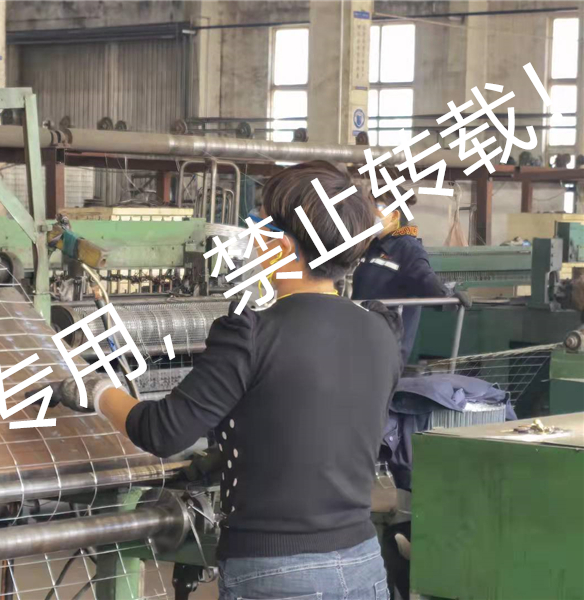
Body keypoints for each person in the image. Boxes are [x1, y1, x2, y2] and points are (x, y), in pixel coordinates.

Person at [52, 161, 402, 600]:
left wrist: (96, 389)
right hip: (362, 565)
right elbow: (317, 421)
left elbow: (163, 431)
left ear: (281, 246)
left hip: (277, 576)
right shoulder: (380, 330)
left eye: (260, 226)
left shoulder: (253, 334)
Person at [352, 193, 471, 365]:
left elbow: (427, 281)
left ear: (395, 216)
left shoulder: (408, 248)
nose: (369, 213)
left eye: (375, 208)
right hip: (362, 337)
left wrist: (450, 297)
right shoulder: (373, 247)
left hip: (387, 347)